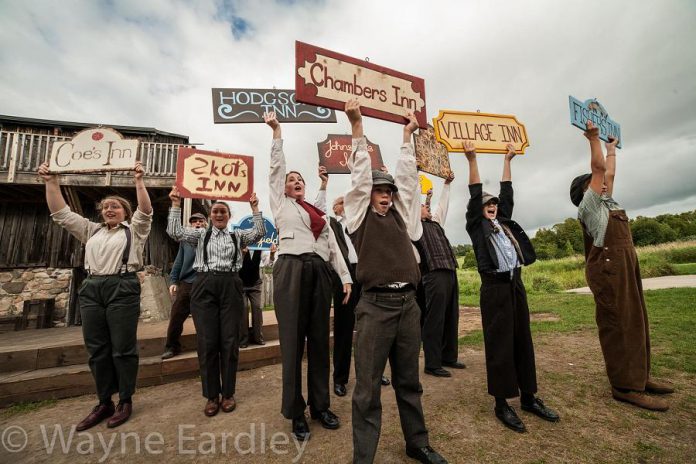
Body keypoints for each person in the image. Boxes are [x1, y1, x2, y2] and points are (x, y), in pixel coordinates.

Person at [343, 99, 447, 464]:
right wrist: (357, 128)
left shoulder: (406, 219)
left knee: (409, 382)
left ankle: (417, 443)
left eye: (389, 191)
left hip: (408, 307)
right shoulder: (357, 218)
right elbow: (358, 179)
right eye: (379, 191)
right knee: (368, 388)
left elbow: (406, 178)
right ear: (369, 196)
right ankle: (364, 457)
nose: (386, 195)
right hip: (374, 307)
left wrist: (407, 136)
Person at [38, 161, 152, 431]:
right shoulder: (92, 230)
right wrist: (51, 182)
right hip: (91, 287)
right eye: (105, 207)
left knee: (123, 347)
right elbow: (61, 213)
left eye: (115, 206)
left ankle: (125, 400)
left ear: (124, 212)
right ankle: (104, 402)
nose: (109, 209)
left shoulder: (133, 231)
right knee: (97, 347)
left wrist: (138, 181)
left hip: (122, 285)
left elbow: (145, 211)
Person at [570, 120, 674, 411]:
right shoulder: (588, 206)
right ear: (587, 190)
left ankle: (640, 378)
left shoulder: (609, 202)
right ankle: (624, 386)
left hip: (625, 267)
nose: (604, 183)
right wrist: (593, 140)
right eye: (596, 182)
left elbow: (608, 171)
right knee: (619, 326)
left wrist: (610, 148)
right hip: (608, 271)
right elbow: (600, 170)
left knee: (636, 320)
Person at [265, 110, 352, 442]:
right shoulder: (281, 205)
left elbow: (333, 249)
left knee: (319, 341)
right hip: (290, 269)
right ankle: (296, 412)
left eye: (299, 179)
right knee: (292, 343)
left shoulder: (319, 215)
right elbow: (275, 170)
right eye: (291, 179)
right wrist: (277, 133)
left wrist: (345, 278)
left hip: (319, 273)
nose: (295, 181)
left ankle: (320, 406)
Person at [464, 142, 559, 433]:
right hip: (493, 289)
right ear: (479, 211)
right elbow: (475, 193)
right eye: (486, 205)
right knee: (499, 344)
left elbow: (507, 192)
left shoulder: (503, 222)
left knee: (522, 339)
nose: (491, 206)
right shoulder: (476, 227)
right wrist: (472, 159)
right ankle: (502, 403)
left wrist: (508, 159)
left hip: (515, 284)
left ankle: (529, 397)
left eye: (494, 204)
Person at [167, 188, 265, 417]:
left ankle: (228, 393)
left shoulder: (237, 235)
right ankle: (212, 395)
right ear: (210, 216)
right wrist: (174, 203)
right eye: (215, 211)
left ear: (229, 216)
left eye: (223, 211)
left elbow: (259, 232)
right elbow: (174, 231)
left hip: (231, 284)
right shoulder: (200, 235)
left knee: (229, 341)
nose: (219, 214)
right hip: (204, 285)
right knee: (207, 341)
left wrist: (254, 208)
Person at [415, 173, 465, 378]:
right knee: (434, 319)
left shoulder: (435, 223)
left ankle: (448, 356)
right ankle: (432, 363)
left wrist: (446, 185)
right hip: (432, 275)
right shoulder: (413, 228)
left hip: (450, 272)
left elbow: (442, 206)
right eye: (423, 206)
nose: (427, 207)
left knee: (451, 316)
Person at [162, 212, 207, 360]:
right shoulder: (185, 241)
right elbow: (179, 261)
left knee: (203, 319)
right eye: (194, 222)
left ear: (206, 223)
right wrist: (173, 280)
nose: (197, 224)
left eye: (201, 221)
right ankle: (171, 347)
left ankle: (206, 349)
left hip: (204, 282)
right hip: (186, 283)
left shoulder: (211, 238)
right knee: (176, 315)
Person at [238, 246, 268, 348]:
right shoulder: (238, 243)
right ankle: (243, 340)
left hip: (255, 283)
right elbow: (234, 264)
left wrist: (272, 253)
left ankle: (258, 337)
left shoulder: (260, 246)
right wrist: (242, 254)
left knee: (257, 307)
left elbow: (267, 262)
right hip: (241, 284)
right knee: (243, 308)